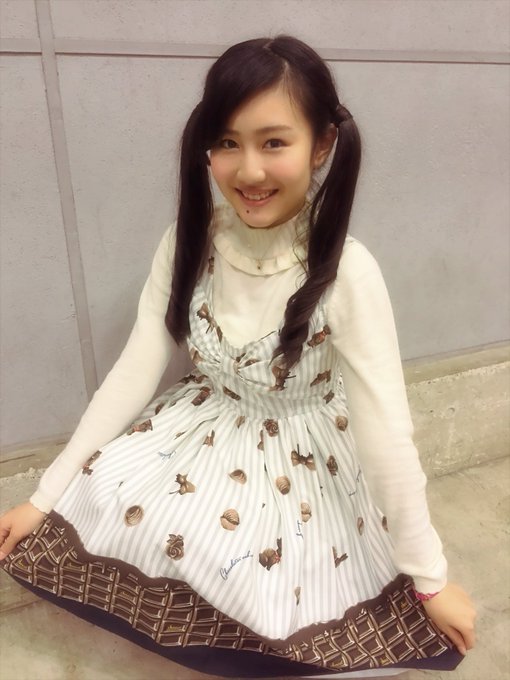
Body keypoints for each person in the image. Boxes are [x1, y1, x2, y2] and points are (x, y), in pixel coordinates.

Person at [0, 36, 475, 678]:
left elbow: (387, 433)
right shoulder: (190, 241)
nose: (248, 172)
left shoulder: (348, 271)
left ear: (322, 145)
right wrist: (45, 496)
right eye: (227, 143)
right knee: (111, 492)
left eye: (274, 142)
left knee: (274, 583)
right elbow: (136, 368)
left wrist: (430, 580)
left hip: (305, 460)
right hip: (205, 428)